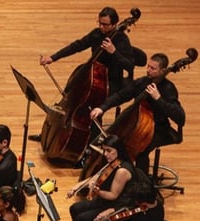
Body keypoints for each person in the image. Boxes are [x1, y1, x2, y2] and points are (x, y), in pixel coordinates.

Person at [29, 6, 135, 142]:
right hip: (92, 77)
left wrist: (113, 51)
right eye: (100, 23)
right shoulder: (97, 34)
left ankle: (91, 145)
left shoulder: (121, 40)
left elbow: (129, 65)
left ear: (115, 24)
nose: (102, 27)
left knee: (93, 107)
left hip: (111, 83)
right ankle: (48, 134)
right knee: (70, 97)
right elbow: (77, 45)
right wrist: (53, 58)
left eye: (105, 25)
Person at [90, 53, 186, 174]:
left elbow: (180, 118)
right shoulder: (142, 83)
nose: (148, 70)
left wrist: (158, 98)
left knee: (141, 151)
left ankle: (142, 183)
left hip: (160, 129)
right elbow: (121, 96)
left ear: (162, 71)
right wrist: (102, 108)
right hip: (139, 126)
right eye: (148, 66)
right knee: (116, 143)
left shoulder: (168, 89)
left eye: (153, 68)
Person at [66, 135, 137, 221]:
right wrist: (76, 187)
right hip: (106, 201)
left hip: (116, 207)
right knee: (75, 208)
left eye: (109, 151)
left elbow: (113, 195)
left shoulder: (122, 171)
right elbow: (95, 177)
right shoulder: (112, 162)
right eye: (104, 150)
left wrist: (97, 191)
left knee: (82, 219)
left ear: (118, 150)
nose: (105, 154)